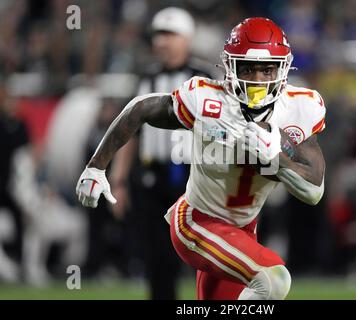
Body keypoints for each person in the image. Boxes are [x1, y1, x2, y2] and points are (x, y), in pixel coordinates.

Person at [76, 17, 326, 300]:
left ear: (283, 69)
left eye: (267, 70)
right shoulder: (208, 101)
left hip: (243, 229)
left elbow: (314, 189)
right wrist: (96, 167)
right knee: (274, 281)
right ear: (230, 67)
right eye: (248, 68)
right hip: (197, 221)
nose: (257, 80)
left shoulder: (299, 107)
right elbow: (140, 108)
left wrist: (278, 155)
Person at [109, 7, 216, 299]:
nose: (162, 42)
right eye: (158, 35)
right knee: (157, 260)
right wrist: (118, 180)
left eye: (169, 34)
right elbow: (129, 134)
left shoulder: (206, 79)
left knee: (208, 257)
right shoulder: (145, 79)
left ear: (187, 38)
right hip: (152, 178)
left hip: (198, 178)